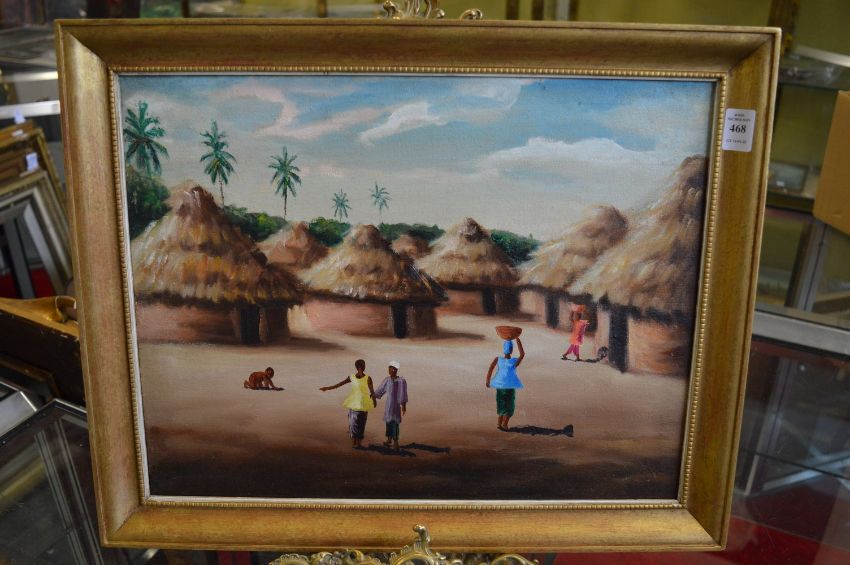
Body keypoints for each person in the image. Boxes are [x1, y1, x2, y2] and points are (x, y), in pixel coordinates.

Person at [319, 359, 376, 448]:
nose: (364, 367)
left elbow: (372, 391)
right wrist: (327, 388)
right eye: (363, 365)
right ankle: (354, 442)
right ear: (360, 367)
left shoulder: (368, 378)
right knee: (354, 423)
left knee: (360, 423)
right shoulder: (352, 377)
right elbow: (340, 384)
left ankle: (358, 442)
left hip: (363, 404)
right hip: (354, 403)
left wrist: (374, 401)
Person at [486, 337, 525, 431]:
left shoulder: (498, 359)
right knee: (509, 406)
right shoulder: (513, 361)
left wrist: (488, 380)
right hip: (510, 386)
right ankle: (504, 424)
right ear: (511, 350)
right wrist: (518, 340)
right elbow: (522, 354)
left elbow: (491, 368)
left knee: (501, 404)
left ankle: (499, 423)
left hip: (500, 386)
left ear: (504, 349)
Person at [374, 361, 408, 451]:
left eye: (392, 368)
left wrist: (403, 405)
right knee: (388, 422)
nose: (389, 370)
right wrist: (374, 394)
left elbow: (403, 394)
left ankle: (396, 443)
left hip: (396, 406)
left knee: (395, 423)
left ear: (395, 369)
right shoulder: (387, 380)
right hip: (388, 405)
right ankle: (389, 439)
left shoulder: (401, 381)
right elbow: (381, 389)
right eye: (389, 368)